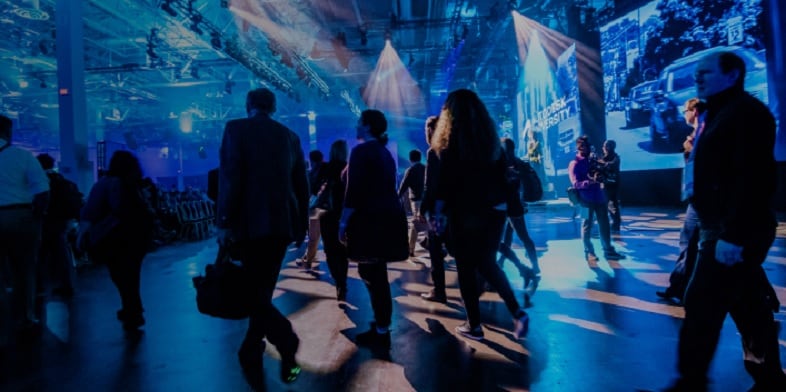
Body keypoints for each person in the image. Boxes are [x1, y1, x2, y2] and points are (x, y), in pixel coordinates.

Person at [665, 51, 786, 391]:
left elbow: (754, 179)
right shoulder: (716, 113)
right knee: (748, 307)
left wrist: (733, 235)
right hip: (715, 225)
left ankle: (690, 385)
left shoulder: (747, 113)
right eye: (697, 73)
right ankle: (770, 381)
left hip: (732, 229)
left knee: (702, 304)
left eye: (706, 72)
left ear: (733, 75)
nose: (697, 77)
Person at [216, 88, 308, 384]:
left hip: (247, 224)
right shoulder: (289, 136)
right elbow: (301, 185)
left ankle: (284, 339)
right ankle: (252, 346)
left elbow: (231, 176)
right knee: (263, 288)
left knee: (252, 291)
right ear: (273, 107)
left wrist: (224, 220)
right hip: (281, 223)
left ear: (248, 105)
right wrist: (302, 224)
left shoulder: (236, 129)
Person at [430, 89, 529, 341]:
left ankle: (474, 325)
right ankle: (516, 312)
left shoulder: (450, 142)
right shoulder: (489, 140)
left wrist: (438, 213)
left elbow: (445, 182)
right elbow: (500, 175)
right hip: (495, 211)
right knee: (487, 263)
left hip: (465, 210)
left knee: (465, 267)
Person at [339, 109, 409, 349]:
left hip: (369, 222)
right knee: (377, 275)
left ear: (367, 126)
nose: (356, 126)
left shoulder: (361, 151)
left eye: (359, 123)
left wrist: (343, 222)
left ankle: (381, 329)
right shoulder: (384, 153)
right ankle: (381, 325)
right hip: (388, 219)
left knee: (372, 275)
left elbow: (353, 191)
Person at [78, 150, 154, 332]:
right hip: (137, 236)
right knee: (132, 275)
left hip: (113, 237)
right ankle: (133, 309)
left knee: (120, 275)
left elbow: (90, 211)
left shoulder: (104, 184)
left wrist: (84, 235)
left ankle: (132, 310)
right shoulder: (134, 185)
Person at [0, 114, 50, 336]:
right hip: (20, 216)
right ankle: (25, 317)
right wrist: (37, 216)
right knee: (24, 271)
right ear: (8, 132)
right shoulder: (22, 156)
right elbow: (42, 191)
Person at [656, 98, 703, 303]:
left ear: (695, 111)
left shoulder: (705, 132)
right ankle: (679, 287)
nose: (684, 114)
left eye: (686, 110)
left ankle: (762, 296)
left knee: (695, 244)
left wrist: (691, 148)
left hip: (705, 197)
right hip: (697, 197)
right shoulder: (695, 134)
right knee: (690, 243)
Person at [496, 137, 540, 306]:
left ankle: (534, 266)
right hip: (510, 207)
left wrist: (520, 201)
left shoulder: (513, 165)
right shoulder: (514, 163)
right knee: (507, 238)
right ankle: (504, 262)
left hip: (512, 207)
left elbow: (518, 187)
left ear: (509, 149)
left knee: (521, 236)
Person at [568, 135, 625, 263]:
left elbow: (604, 170)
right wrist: (590, 181)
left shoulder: (592, 160)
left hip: (599, 198)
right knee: (586, 226)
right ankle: (589, 252)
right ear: (580, 147)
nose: (589, 149)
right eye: (586, 146)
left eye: (589, 146)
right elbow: (575, 183)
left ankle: (608, 251)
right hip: (584, 200)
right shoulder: (574, 164)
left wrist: (602, 174)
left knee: (604, 225)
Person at [36, 153, 82, 299]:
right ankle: (67, 285)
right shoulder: (61, 180)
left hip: (45, 221)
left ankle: (39, 286)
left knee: (40, 255)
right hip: (61, 222)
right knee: (62, 254)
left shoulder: (39, 180)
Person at [420, 115, 449, 303]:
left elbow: (430, 186)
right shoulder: (451, 151)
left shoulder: (433, 152)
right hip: (453, 208)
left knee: (435, 252)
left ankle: (439, 291)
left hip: (437, 210)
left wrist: (424, 210)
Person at [317, 140, 349, 301]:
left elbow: (316, 188)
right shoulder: (349, 167)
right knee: (342, 250)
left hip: (327, 214)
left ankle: (338, 281)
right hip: (344, 214)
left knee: (330, 250)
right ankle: (342, 282)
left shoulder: (325, 168)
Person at [296, 150, 326, 270]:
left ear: (311, 159)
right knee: (320, 235)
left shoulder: (310, 174)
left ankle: (308, 260)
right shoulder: (326, 170)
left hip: (314, 207)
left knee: (313, 235)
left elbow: (306, 191)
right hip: (327, 206)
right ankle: (307, 257)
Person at [397, 149, 426, 258]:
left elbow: (404, 185)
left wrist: (398, 197)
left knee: (415, 224)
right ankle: (431, 244)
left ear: (410, 159)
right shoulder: (425, 168)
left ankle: (410, 249)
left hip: (416, 201)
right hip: (426, 199)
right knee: (426, 222)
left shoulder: (410, 170)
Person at [598, 139, 621, 233]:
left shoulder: (615, 157)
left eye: (604, 146)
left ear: (608, 147)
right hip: (607, 184)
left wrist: (600, 163)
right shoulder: (605, 157)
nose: (603, 148)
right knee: (609, 204)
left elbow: (610, 165)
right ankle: (614, 222)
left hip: (611, 184)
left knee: (612, 204)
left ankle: (616, 223)